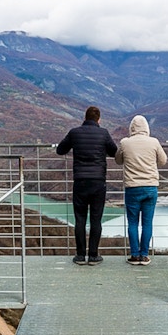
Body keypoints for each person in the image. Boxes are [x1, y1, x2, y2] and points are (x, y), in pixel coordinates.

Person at [56, 106, 117, 265]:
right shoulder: (103, 133)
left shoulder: (74, 133)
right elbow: (114, 152)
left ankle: (80, 255)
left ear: (85, 118)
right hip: (98, 182)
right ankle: (94, 255)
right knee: (96, 220)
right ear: (99, 119)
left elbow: (60, 150)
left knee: (80, 219)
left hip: (80, 182)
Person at [115, 115, 167, 265]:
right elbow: (163, 161)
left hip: (132, 188)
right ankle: (144, 255)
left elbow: (118, 160)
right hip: (151, 188)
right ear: (146, 128)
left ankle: (134, 255)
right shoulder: (154, 142)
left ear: (132, 128)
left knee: (132, 223)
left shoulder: (125, 143)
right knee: (147, 223)